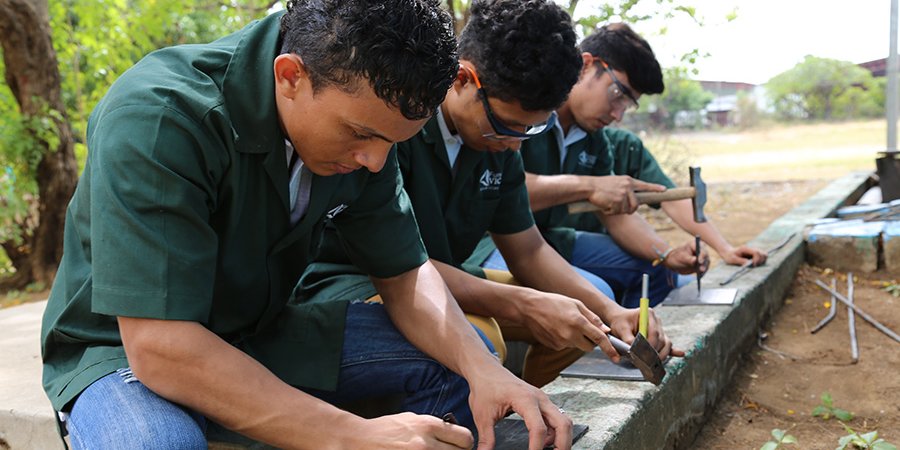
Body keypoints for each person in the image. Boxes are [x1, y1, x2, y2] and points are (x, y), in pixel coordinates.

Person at [40, 1, 571, 449]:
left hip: (258, 327)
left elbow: (407, 275)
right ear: (291, 76)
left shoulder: (367, 135)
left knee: (462, 359)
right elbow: (161, 346)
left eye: (394, 142)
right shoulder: (161, 116)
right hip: (123, 349)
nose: (376, 163)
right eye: (361, 135)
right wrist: (353, 435)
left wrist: (485, 371)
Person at [300, 0, 683, 396]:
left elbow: (529, 249)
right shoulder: (397, 125)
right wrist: (524, 303)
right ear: (463, 79)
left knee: (585, 321)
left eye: (530, 132)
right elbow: (401, 266)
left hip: (446, 279)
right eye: (507, 126)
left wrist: (610, 311)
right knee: (484, 339)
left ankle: (529, 407)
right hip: (360, 283)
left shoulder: (498, 144)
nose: (515, 147)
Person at [475, 23, 766, 307]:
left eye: (627, 106)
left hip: (552, 241)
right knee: (598, 293)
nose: (617, 115)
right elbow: (503, 189)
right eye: (617, 95)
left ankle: (635, 348)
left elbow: (616, 215)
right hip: (492, 243)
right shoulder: (524, 113)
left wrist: (666, 254)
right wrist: (589, 186)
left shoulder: (595, 140)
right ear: (586, 66)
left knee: (656, 269)